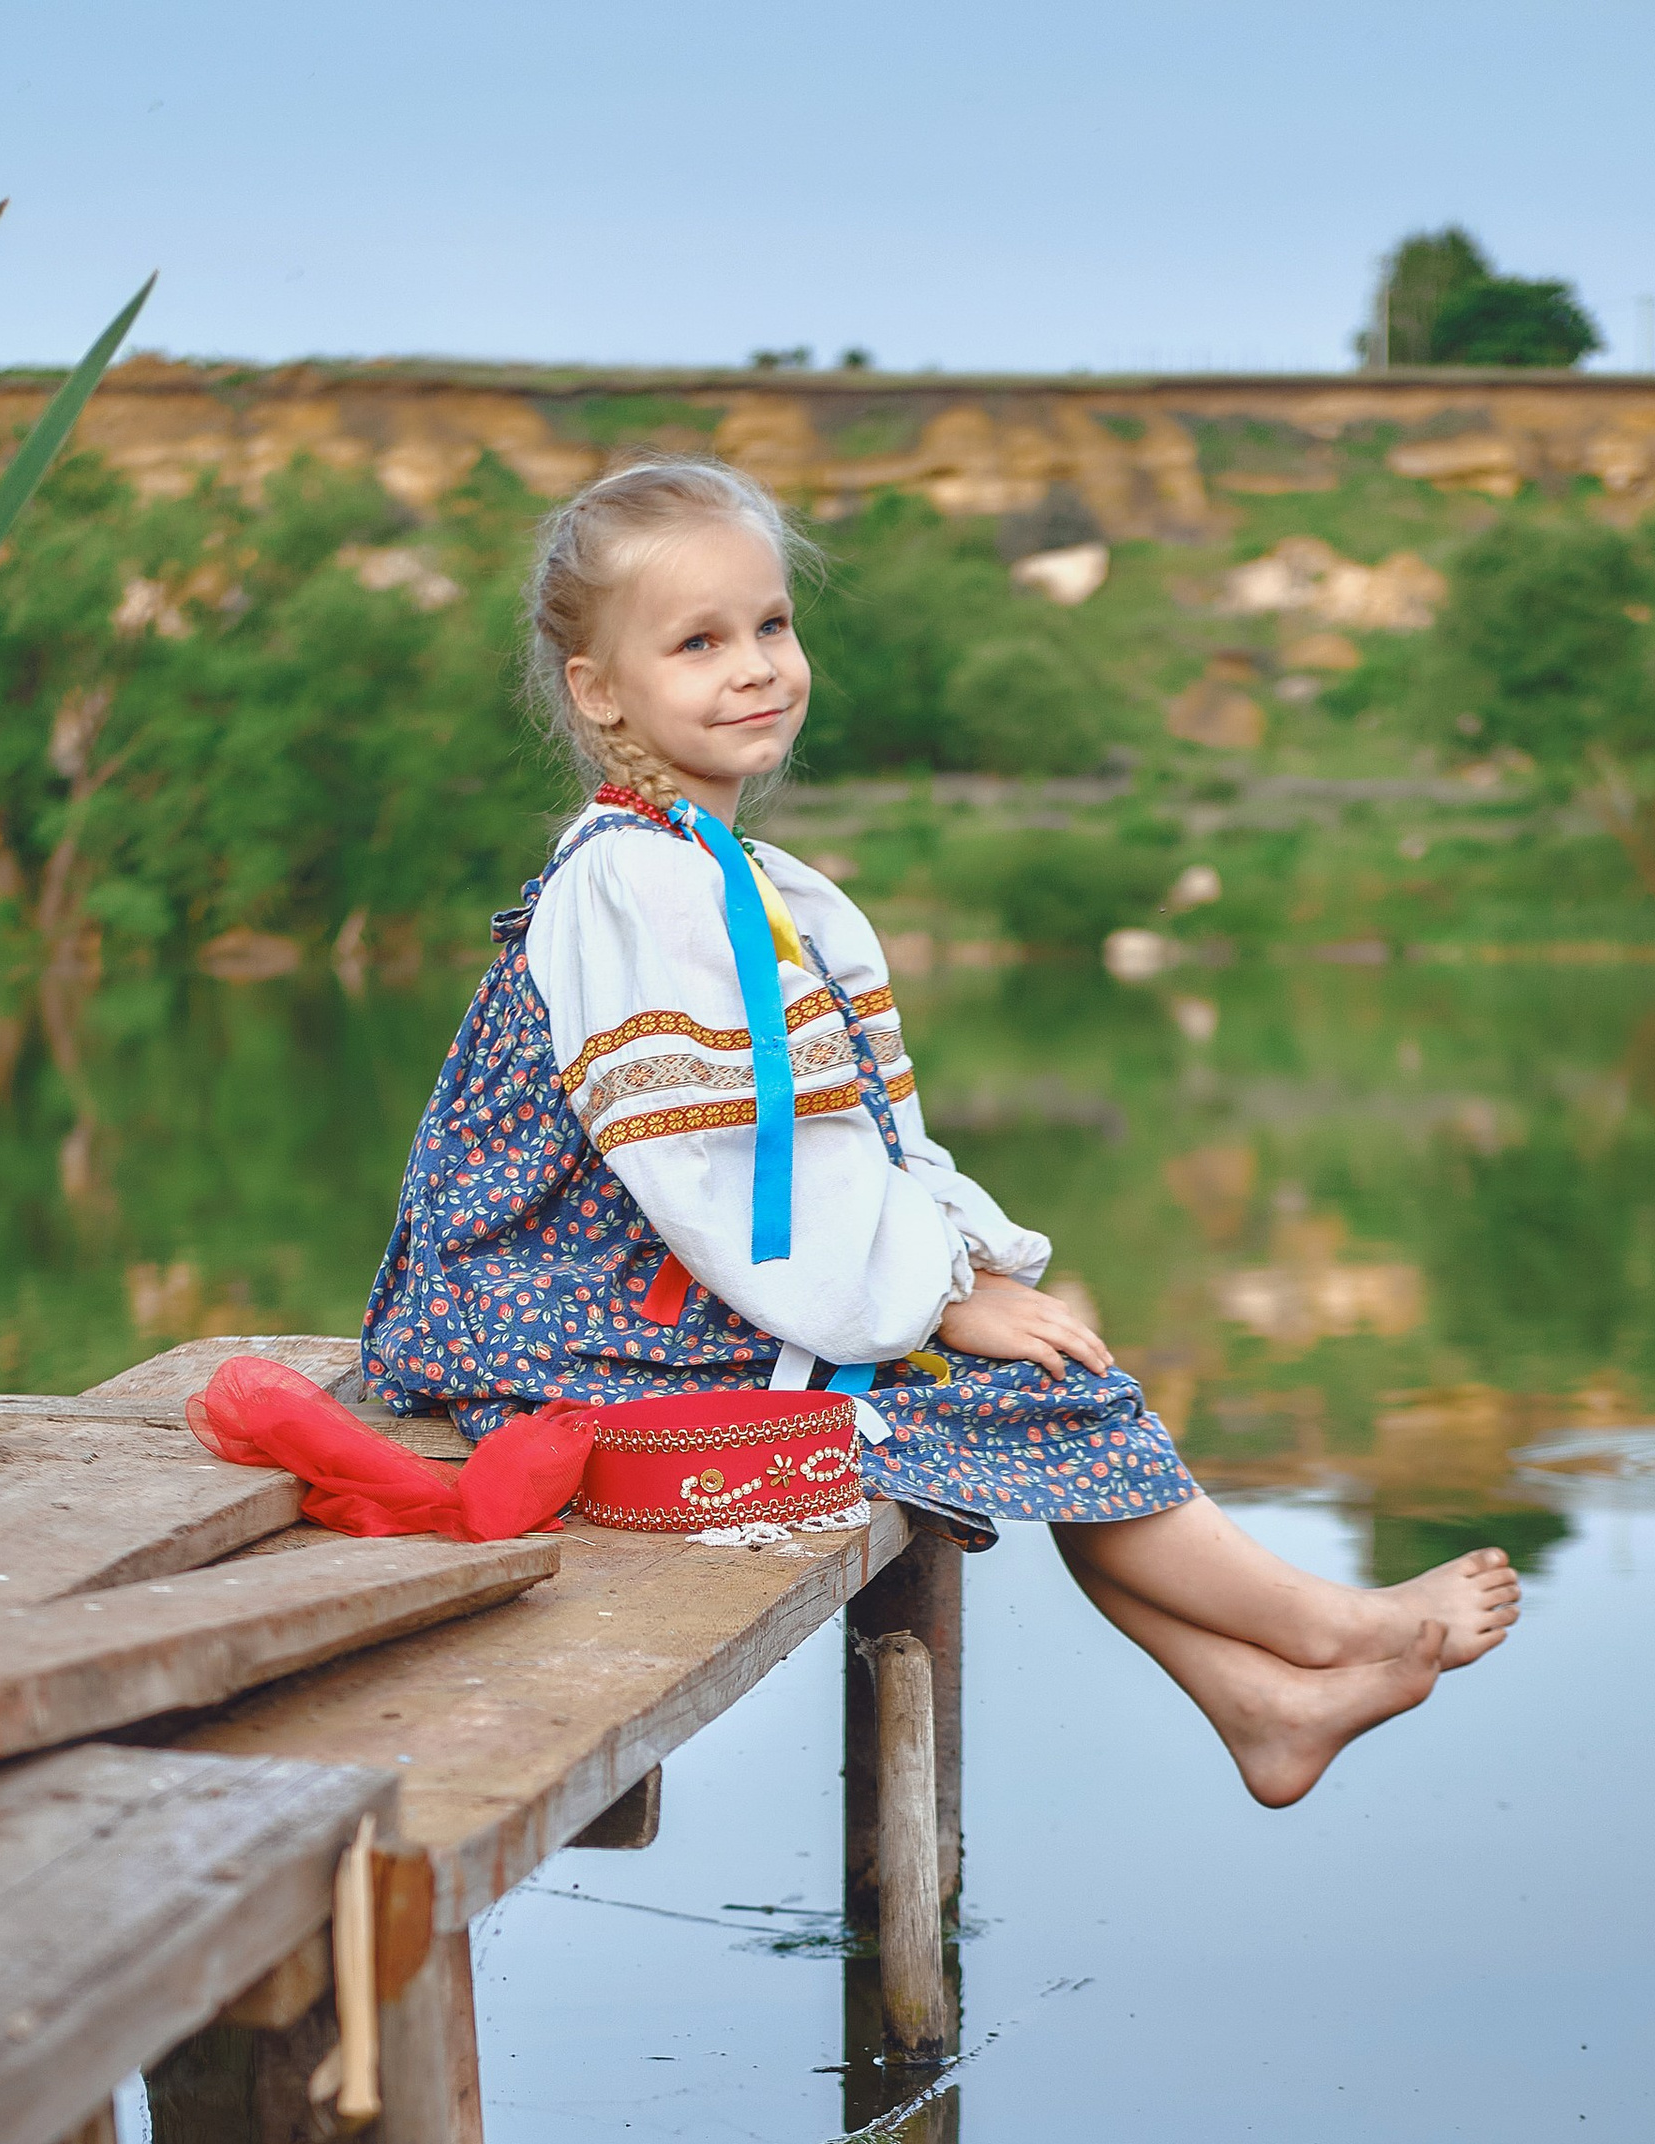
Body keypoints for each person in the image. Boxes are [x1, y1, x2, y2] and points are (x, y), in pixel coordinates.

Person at [362, 459, 1519, 1807]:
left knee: (1047, 1365)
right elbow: (722, 1179)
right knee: (1030, 1389)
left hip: (645, 1309)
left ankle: (1258, 1703)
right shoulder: (638, 882)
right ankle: (1319, 1634)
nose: (755, 667)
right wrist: (937, 1302)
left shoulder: (747, 882)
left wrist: (972, 1272)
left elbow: (870, 1144)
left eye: (772, 626)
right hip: (554, 1342)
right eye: (698, 642)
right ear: (600, 690)